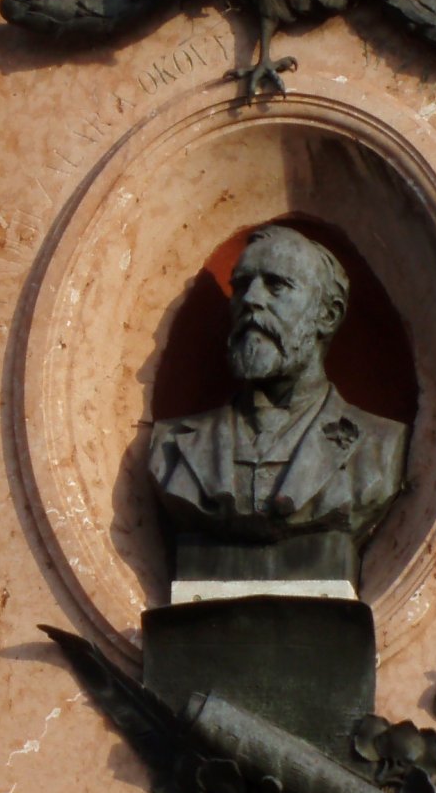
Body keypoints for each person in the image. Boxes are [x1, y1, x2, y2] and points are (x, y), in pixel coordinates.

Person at [148, 224, 407, 577]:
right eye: (241, 285)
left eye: (276, 285)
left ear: (327, 316)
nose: (251, 299)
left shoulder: (377, 448)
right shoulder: (173, 447)